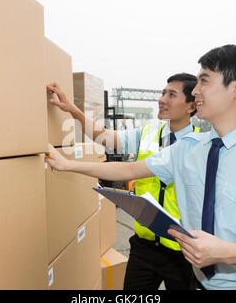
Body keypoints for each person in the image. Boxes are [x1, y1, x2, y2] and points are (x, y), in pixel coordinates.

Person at [46, 44, 236, 290]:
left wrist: (227, 253)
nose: (196, 91)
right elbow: (128, 170)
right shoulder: (187, 150)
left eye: (204, 81)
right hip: (191, 277)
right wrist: (67, 164)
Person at [46, 73, 202, 290]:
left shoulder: (201, 146)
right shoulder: (148, 133)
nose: (162, 99)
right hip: (144, 246)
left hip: (182, 252)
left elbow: (127, 170)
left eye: (172, 95)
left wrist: (68, 165)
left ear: (191, 106)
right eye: (163, 92)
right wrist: (72, 109)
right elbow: (106, 138)